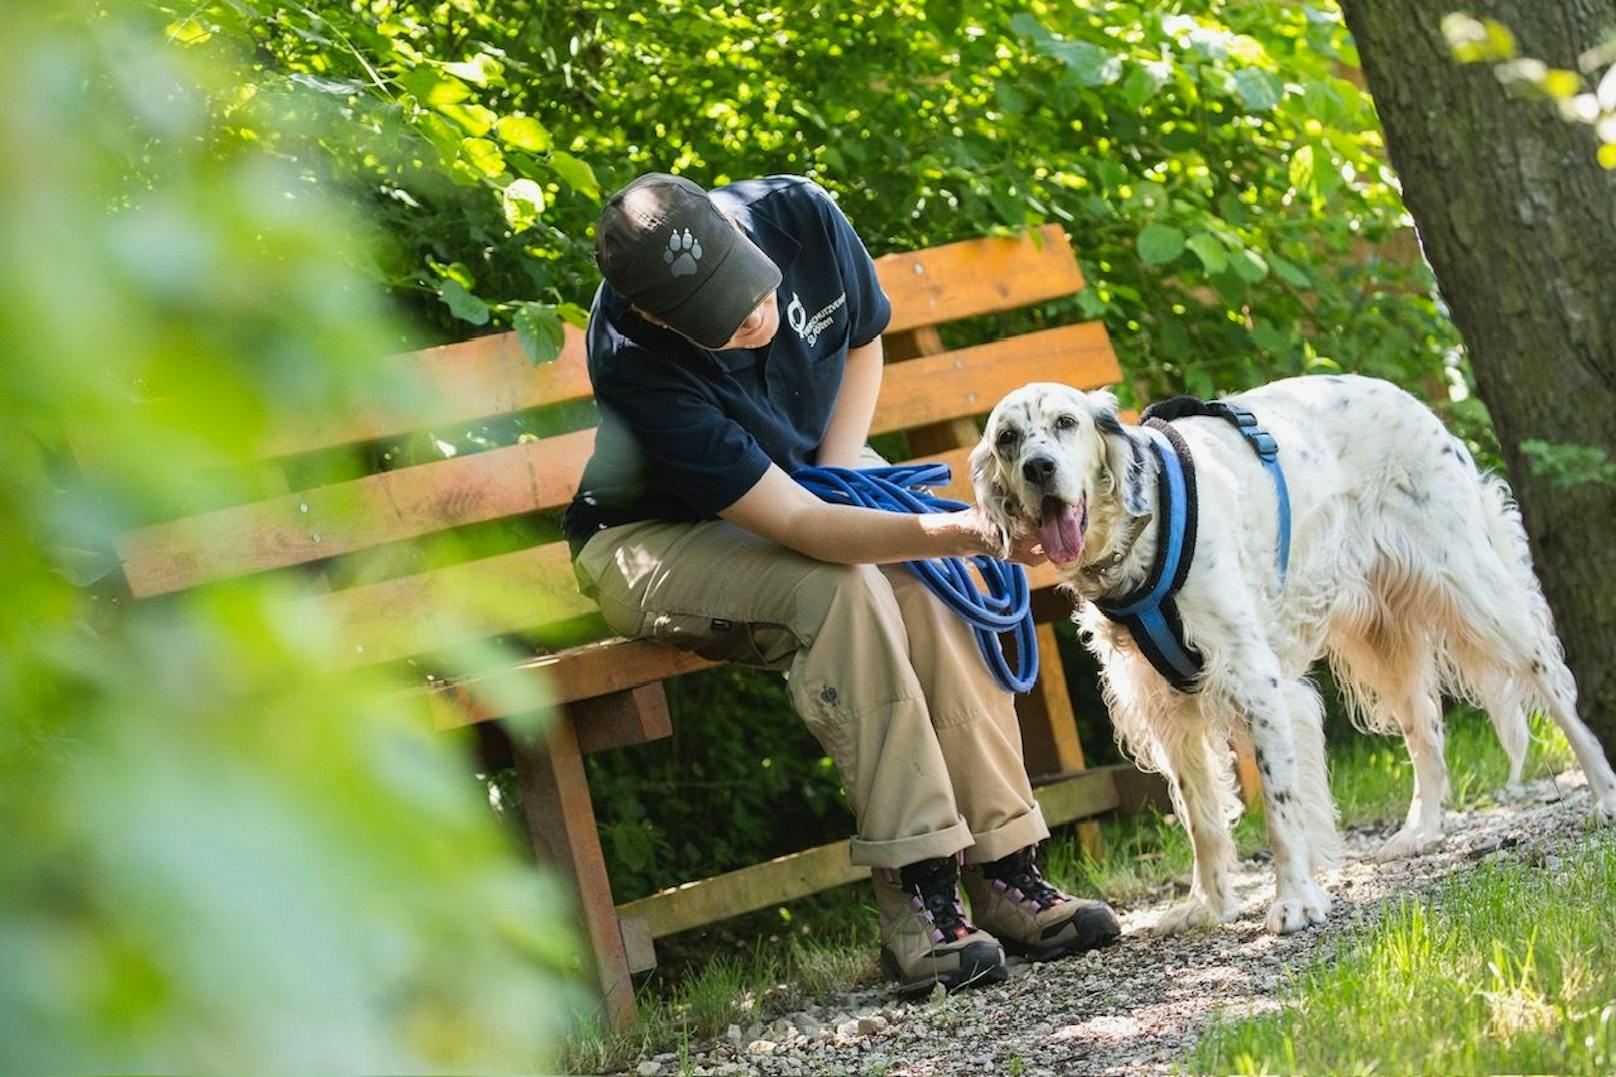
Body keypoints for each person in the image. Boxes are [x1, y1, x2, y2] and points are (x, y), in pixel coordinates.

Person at [562, 172, 1120, 994]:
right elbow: (804, 530)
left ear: (738, 230)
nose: (753, 316)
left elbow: (861, 338)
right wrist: (971, 527)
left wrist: (839, 470)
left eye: (751, 288)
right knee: (845, 589)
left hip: (800, 481)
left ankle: (1007, 867)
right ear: (653, 316)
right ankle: (919, 891)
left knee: (931, 579)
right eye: (722, 319)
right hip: (656, 538)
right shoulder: (633, 358)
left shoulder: (797, 212)